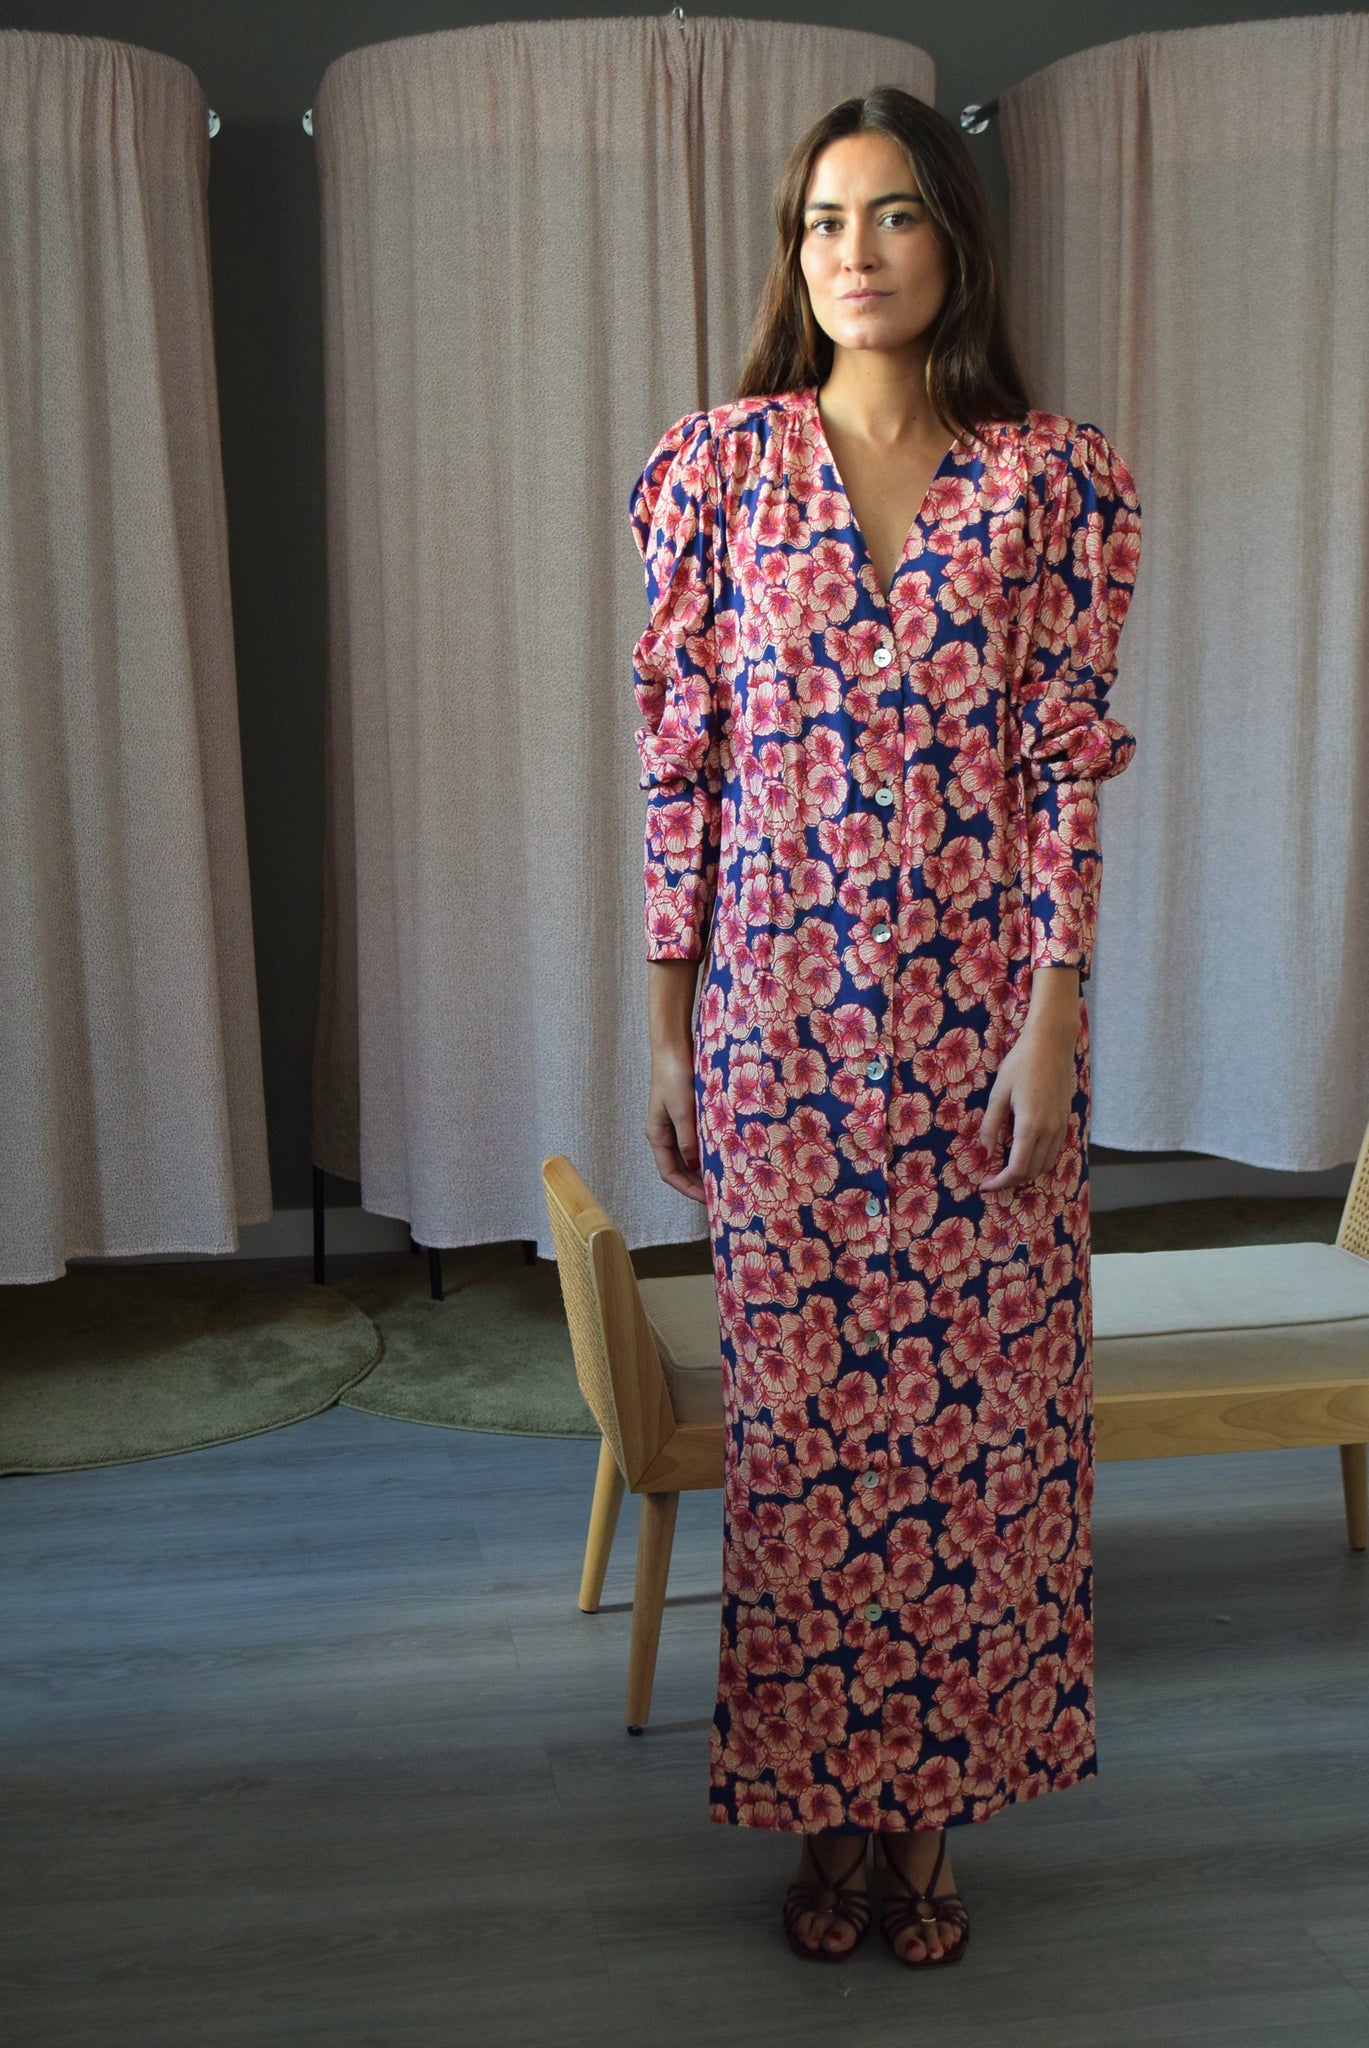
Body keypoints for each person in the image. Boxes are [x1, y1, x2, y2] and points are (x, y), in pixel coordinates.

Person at [630, 84, 1142, 1969]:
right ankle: (820, 1809)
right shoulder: (712, 472)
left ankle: (930, 1817)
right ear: (795, 254)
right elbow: (680, 768)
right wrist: (669, 1030)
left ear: (956, 240)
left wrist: (1051, 1020)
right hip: (774, 1040)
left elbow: (1066, 773)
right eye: (824, 221)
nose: (856, 253)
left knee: (972, 1445)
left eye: (896, 213)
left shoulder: (1052, 482)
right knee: (805, 1445)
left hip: (978, 1048)